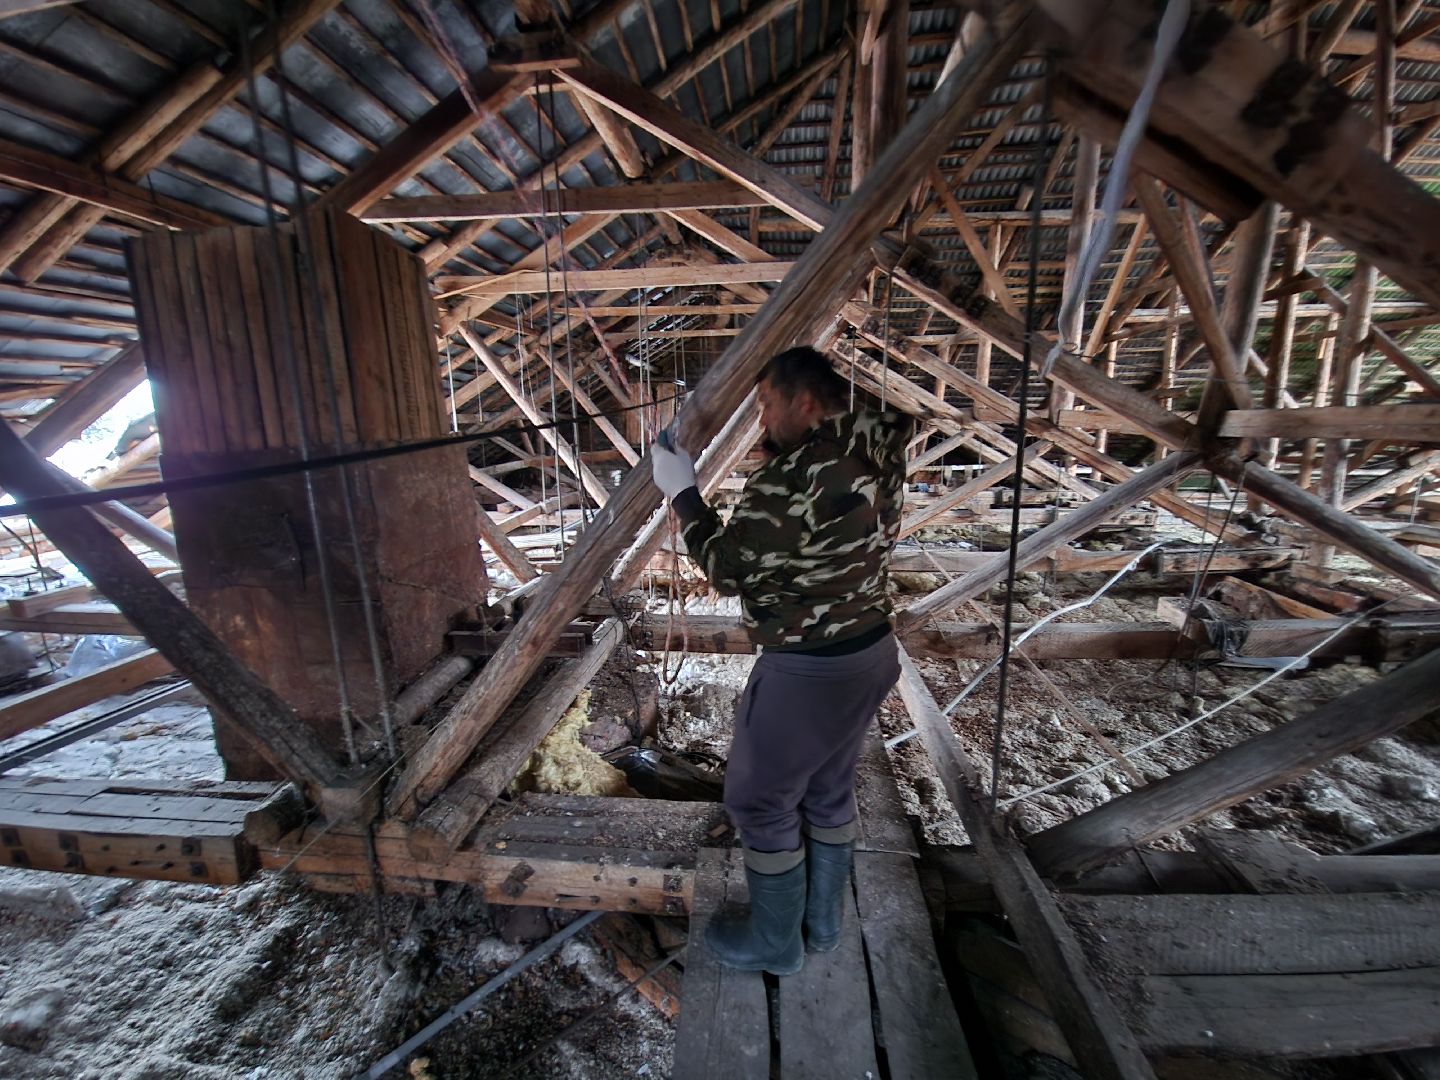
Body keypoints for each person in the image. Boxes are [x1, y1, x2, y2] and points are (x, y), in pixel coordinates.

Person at [651, 345, 914, 975]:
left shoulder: (792, 475)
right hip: (871, 651)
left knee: (759, 802)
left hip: (809, 668)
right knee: (826, 788)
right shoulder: (879, 446)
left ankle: (775, 943)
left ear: (805, 400)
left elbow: (727, 569)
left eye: (768, 405)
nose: (763, 421)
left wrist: (683, 494)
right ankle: (821, 925)